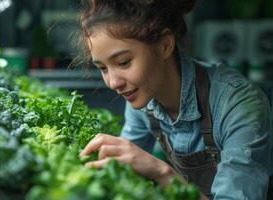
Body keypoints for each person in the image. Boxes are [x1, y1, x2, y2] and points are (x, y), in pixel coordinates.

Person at [75, 0, 273, 199]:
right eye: (102, 68)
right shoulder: (141, 99)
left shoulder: (239, 105)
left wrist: (162, 173)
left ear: (165, 45)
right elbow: (124, 173)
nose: (113, 82)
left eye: (123, 62)